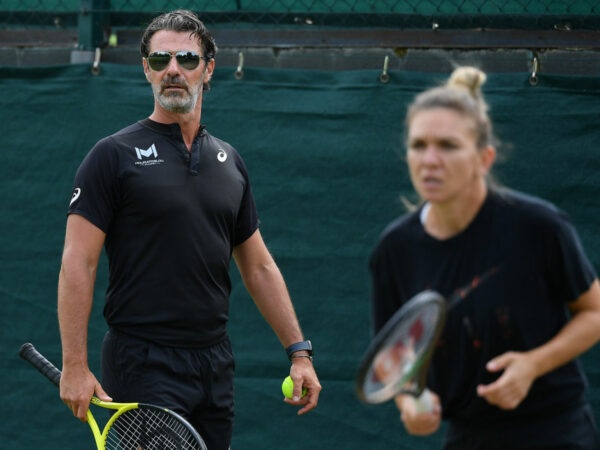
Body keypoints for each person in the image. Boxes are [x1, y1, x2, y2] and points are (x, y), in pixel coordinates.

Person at [57, 9, 321, 450]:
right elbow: (77, 262)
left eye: (186, 58)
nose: (173, 70)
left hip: (215, 365)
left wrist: (299, 352)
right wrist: (75, 364)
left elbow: (257, 266)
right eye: (160, 60)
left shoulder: (229, 162)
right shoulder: (111, 156)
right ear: (146, 69)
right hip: (142, 362)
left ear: (208, 68)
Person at [368, 66, 600, 449]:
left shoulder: (539, 226)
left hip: (557, 430)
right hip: (467, 435)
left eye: (448, 146)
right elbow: (393, 355)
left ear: (484, 158)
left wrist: (532, 365)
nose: (429, 160)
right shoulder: (395, 248)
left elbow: (594, 313)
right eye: (418, 145)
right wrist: (408, 402)